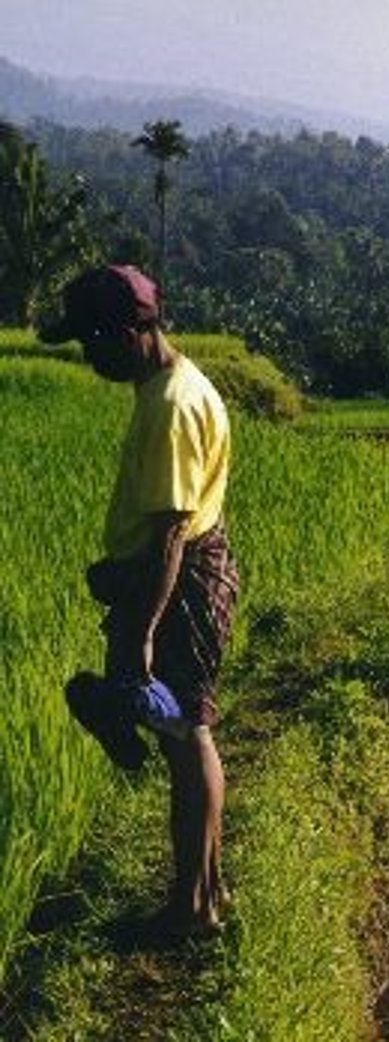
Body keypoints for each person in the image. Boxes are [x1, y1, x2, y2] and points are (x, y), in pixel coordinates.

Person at [43, 264, 240, 940]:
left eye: (92, 343)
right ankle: (204, 897)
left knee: (186, 737)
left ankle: (192, 908)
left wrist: (143, 630)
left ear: (128, 331)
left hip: (178, 587)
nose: (88, 358)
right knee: (183, 734)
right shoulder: (165, 387)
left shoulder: (171, 406)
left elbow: (169, 536)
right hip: (169, 578)